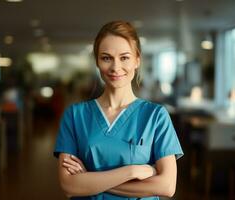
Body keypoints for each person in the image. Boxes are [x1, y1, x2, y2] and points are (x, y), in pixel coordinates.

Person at [53, 21, 183, 200]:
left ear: (137, 60)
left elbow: (167, 186)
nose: (115, 67)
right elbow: (69, 185)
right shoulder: (75, 116)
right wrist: (133, 171)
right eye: (106, 58)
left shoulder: (156, 116)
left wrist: (89, 182)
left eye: (124, 58)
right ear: (97, 62)